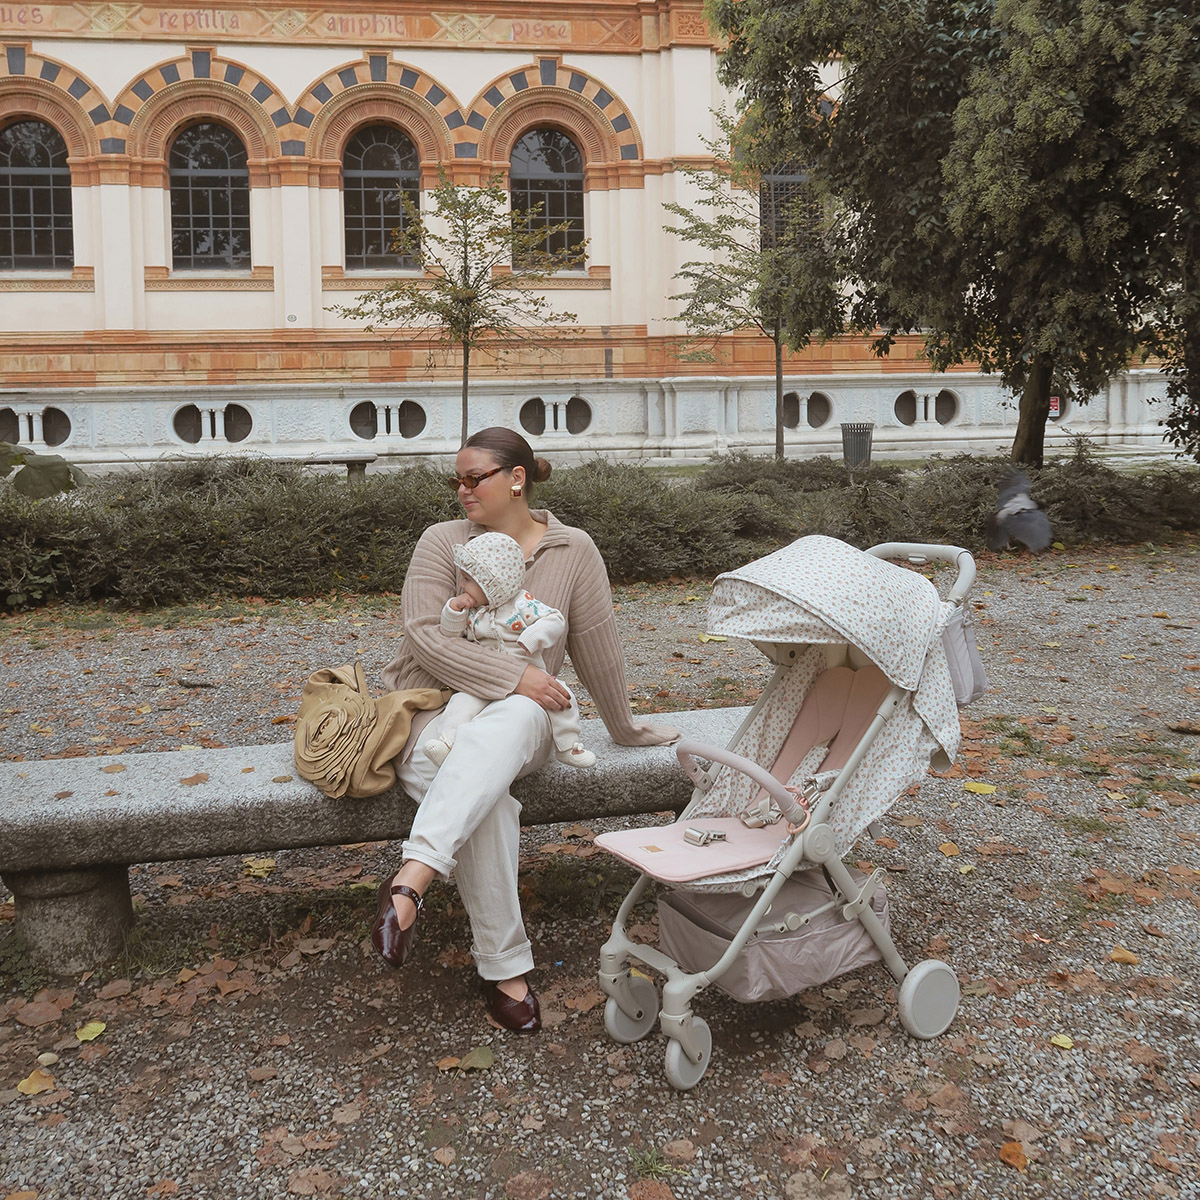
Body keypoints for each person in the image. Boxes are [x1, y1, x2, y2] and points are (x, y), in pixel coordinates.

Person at [373, 426, 680, 1032]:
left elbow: (597, 647)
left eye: (474, 478)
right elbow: (425, 636)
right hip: (433, 717)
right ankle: (502, 968)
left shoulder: (573, 549)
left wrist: (623, 727)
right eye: (456, 480)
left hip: (523, 723)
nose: (462, 490)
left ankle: (411, 879)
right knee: (488, 799)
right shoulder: (442, 541)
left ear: (516, 479)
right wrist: (513, 677)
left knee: (518, 715)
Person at [425, 531, 596, 769]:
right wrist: (453, 610)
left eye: (467, 579)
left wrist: (533, 637)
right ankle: (447, 743)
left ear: (491, 582)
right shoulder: (472, 611)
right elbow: (450, 634)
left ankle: (568, 745)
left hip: (529, 673)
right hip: (485, 679)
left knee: (561, 697)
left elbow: (554, 619)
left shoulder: (522, 604)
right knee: (460, 703)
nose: (461, 585)